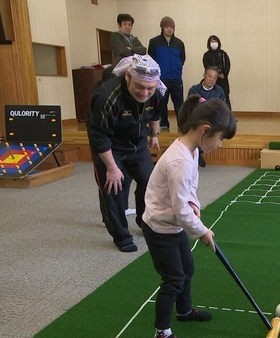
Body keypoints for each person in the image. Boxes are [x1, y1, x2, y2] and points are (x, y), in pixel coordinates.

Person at [142, 95, 236, 338]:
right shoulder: (180, 160)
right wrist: (202, 231)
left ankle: (184, 311)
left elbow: (187, 192)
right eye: (220, 138)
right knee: (173, 279)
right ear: (206, 130)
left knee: (187, 268)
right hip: (160, 228)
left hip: (172, 224)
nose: (220, 144)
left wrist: (194, 205)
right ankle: (162, 332)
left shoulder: (192, 150)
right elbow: (181, 209)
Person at [86, 54, 166, 252]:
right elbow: (100, 137)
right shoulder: (107, 97)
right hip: (109, 146)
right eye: (140, 87)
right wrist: (112, 168)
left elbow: (155, 114)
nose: (145, 92)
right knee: (114, 189)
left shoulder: (156, 93)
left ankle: (143, 219)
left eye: (150, 88)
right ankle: (121, 236)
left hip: (137, 143)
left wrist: (154, 135)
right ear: (128, 76)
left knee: (150, 181)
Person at [148, 16, 186, 130]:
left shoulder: (179, 43)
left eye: (172, 27)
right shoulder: (154, 42)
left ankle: (182, 124)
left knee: (179, 103)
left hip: (176, 78)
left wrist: (178, 68)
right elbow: (151, 59)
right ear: (162, 28)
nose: (169, 29)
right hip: (161, 78)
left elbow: (182, 58)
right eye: (167, 27)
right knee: (162, 102)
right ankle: (164, 124)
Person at [187, 67, 227, 167]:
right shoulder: (194, 89)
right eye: (209, 76)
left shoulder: (219, 91)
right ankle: (197, 154)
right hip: (197, 118)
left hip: (213, 119)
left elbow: (223, 108)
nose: (211, 79)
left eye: (214, 78)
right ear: (204, 76)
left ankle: (200, 152)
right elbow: (189, 107)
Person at [203, 35, 231, 108]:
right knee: (212, 100)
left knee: (226, 99)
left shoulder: (223, 54)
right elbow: (207, 67)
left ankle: (229, 118)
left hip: (223, 80)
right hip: (211, 80)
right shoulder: (206, 55)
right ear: (209, 43)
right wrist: (217, 74)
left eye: (215, 41)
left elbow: (228, 65)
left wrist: (224, 74)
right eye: (212, 41)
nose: (214, 43)